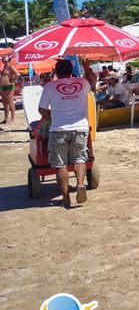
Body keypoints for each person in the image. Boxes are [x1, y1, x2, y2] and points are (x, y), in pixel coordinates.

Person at [38, 58, 92, 209]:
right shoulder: (82, 83)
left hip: (59, 128)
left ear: (56, 70)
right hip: (80, 127)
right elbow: (92, 84)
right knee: (79, 158)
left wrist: (52, 116)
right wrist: (86, 68)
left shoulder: (50, 86)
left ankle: (66, 197)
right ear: (71, 70)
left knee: (60, 163)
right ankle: (80, 184)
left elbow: (42, 109)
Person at [1, 55, 19, 124]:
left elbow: (17, 74)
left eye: (2, 59)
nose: (2, 60)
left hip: (9, 86)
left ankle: (13, 118)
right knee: (5, 102)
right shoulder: (4, 67)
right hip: (3, 86)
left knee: (10, 102)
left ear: (6, 59)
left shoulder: (10, 66)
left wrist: (12, 81)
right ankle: (6, 118)